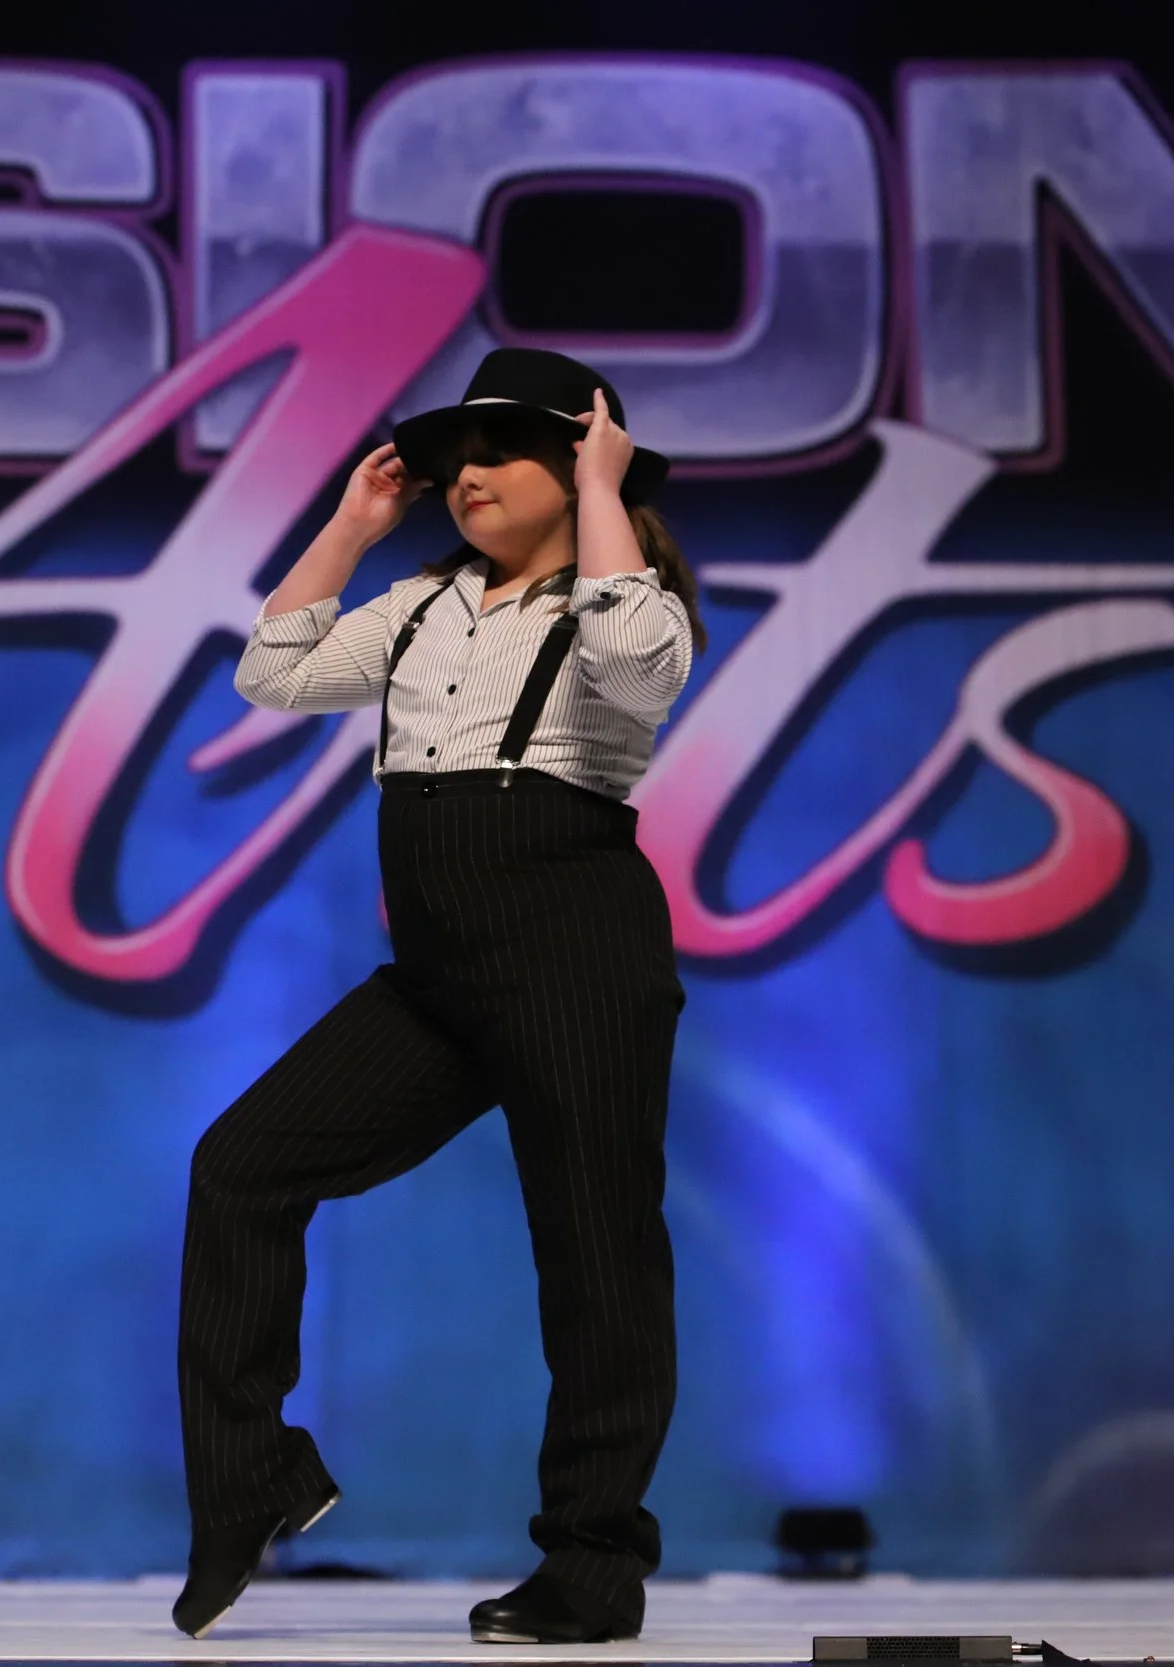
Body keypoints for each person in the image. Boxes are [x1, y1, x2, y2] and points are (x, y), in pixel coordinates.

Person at [173, 347, 706, 1645]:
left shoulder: (619, 605)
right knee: (241, 1164)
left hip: (576, 960)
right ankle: (254, 1475)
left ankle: (591, 1564)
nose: (465, 476)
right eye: (453, 456)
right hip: (441, 977)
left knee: (597, 1258)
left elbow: (641, 663)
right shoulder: (420, 607)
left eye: (503, 451)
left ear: (586, 462)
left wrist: (604, 495)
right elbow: (274, 671)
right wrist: (355, 523)